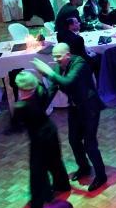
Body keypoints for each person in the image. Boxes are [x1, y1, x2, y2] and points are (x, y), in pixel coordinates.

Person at [32, 44, 107, 192]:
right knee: (73, 140)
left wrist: (48, 72)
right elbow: (53, 88)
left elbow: (68, 82)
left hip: (89, 108)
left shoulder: (80, 64)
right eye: (54, 56)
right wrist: (40, 111)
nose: (56, 60)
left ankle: (101, 175)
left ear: (68, 54)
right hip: (74, 108)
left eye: (58, 56)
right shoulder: (59, 66)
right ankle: (84, 167)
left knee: (90, 144)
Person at [11, 72, 70, 208]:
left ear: (20, 88)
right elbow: (50, 91)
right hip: (51, 132)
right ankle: (63, 186)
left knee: (37, 174)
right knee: (55, 161)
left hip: (39, 140)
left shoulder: (21, 106)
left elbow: (15, 127)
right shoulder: (40, 91)